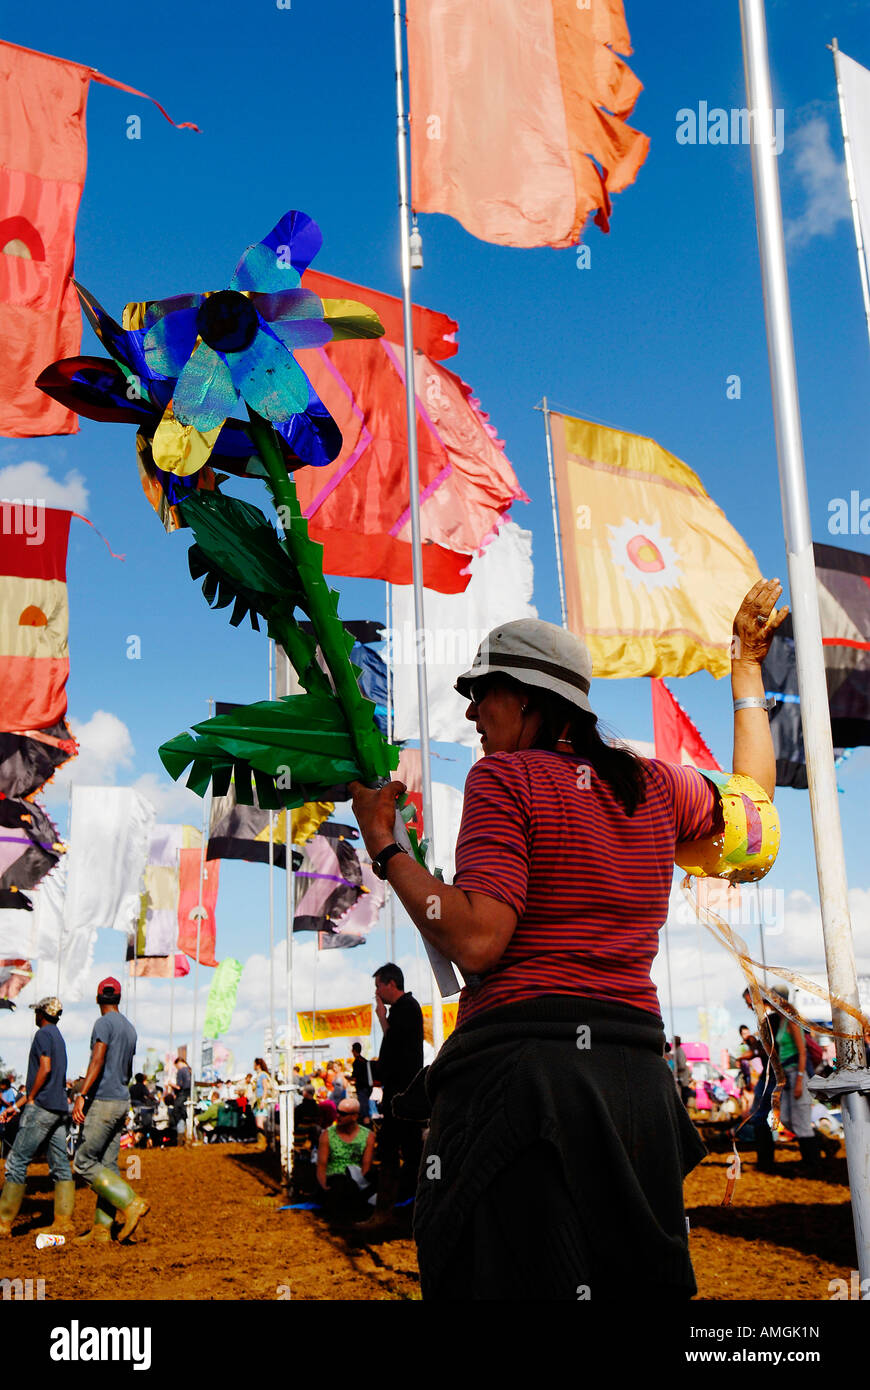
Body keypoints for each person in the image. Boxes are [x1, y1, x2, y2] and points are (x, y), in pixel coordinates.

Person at [350, 580, 787, 1299]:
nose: (469, 712)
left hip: (524, 1083)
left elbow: (481, 940)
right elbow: (759, 816)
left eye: (480, 693)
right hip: (635, 1085)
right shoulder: (657, 786)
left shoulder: (505, 778)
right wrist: (745, 670)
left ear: (524, 698)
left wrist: (386, 850)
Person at [72, 977, 148, 1244]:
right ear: (118, 998)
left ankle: (131, 1203)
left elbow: (98, 1058)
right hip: (120, 1100)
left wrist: (82, 1094)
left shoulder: (103, 1024)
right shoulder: (129, 1028)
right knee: (107, 1165)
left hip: (102, 1101)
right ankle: (102, 1230)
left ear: (97, 998)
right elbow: (124, 1068)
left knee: (83, 1163)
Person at [355, 963, 424, 1232]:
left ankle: (390, 1214)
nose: (377, 992)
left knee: (404, 1154)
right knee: (407, 1154)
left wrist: (382, 1016)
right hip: (401, 1095)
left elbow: (393, 1047)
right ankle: (401, 1213)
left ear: (390, 984)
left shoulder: (406, 1008)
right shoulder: (405, 1009)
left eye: (378, 986)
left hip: (402, 1096)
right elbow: (393, 1044)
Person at [0, 997, 74, 1237]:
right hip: (59, 1109)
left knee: (16, 1162)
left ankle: (3, 1224)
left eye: (37, 1012)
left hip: (42, 1107)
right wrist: (17, 1105)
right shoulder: (58, 1037)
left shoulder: (42, 1035)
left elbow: (45, 1068)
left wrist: (29, 1098)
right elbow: (52, 1080)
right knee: (61, 1165)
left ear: (42, 1014)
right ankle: (63, 1221)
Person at [315, 1098, 375, 1217]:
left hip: (356, 1180)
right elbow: (321, 1165)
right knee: (341, 1185)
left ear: (354, 1116)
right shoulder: (327, 1135)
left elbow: (366, 1166)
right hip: (334, 1179)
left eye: (343, 1114)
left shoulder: (368, 1136)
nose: (338, 1116)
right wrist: (324, 1187)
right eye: (338, 1112)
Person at [350, 1042, 373, 1123]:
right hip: (368, 1087)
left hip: (361, 1087)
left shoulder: (356, 1062)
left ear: (354, 1051)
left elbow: (354, 1076)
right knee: (365, 1105)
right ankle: (367, 1122)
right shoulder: (365, 1061)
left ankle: (366, 1124)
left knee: (363, 1107)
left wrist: (349, 1078)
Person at [673, 1036, 692, 1107]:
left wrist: (675, 1070)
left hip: (682, 1078)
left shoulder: (679, 1051)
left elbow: (682, 1065)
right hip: (681, 1078)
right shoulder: (678, 1050)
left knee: (684, 1098)